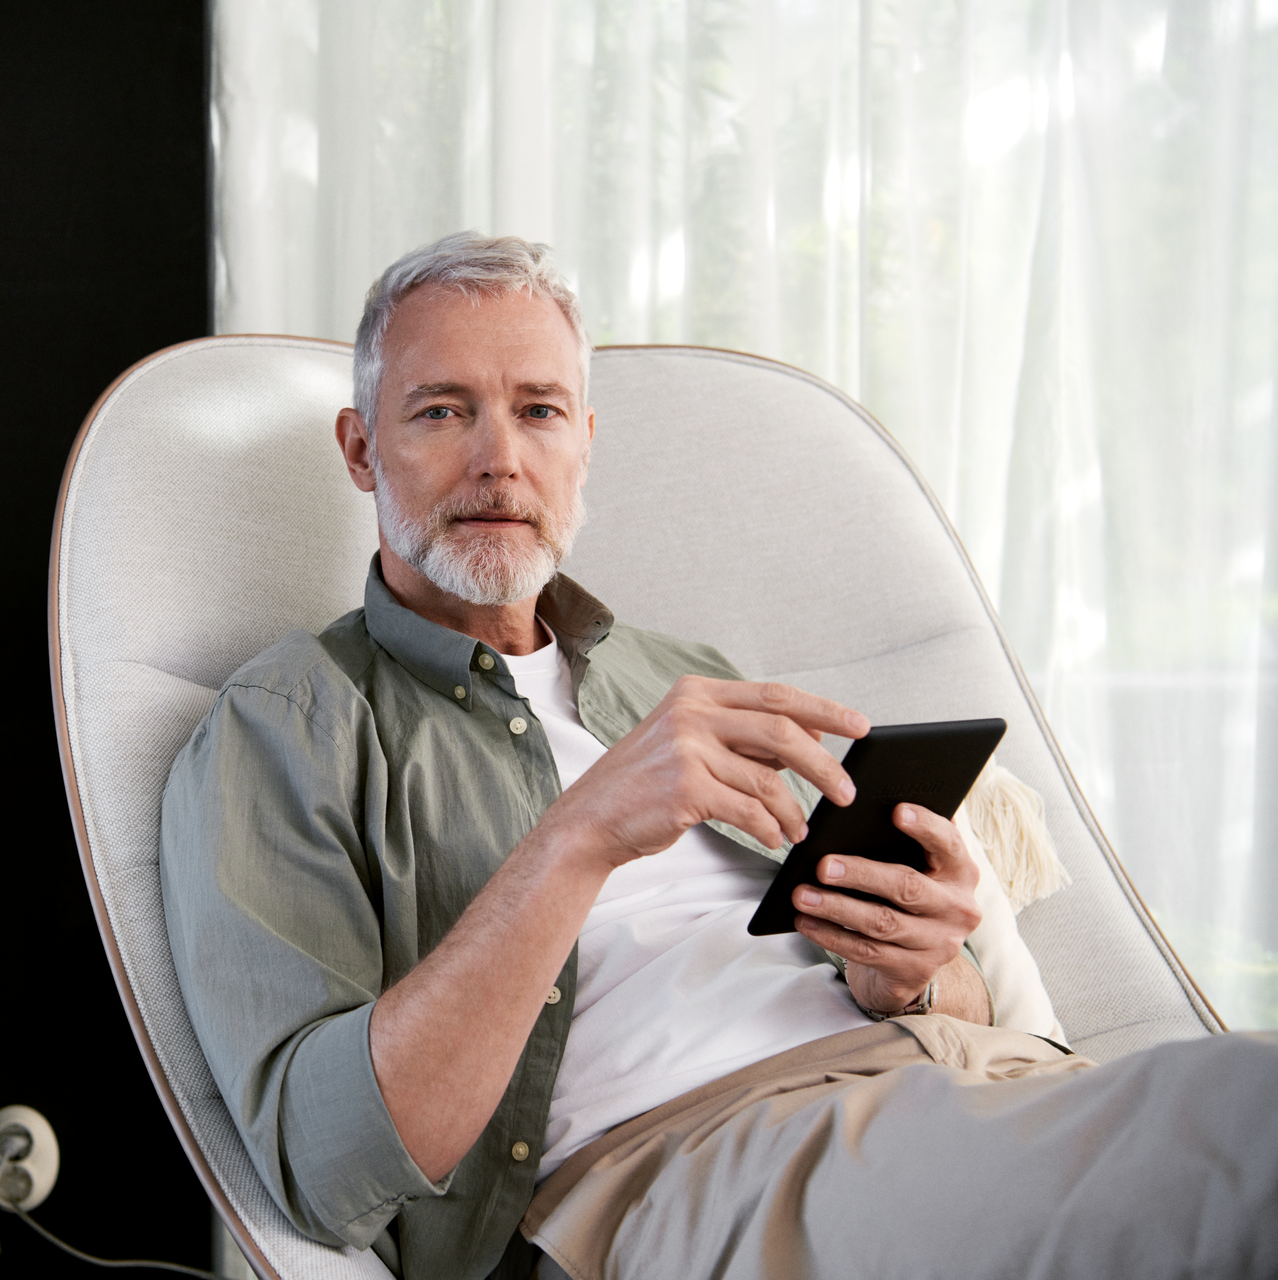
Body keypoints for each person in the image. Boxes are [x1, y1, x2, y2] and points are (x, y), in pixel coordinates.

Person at [158, 232, 1278, 1280]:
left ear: (584, 445)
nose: (500, 460)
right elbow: (321, 1163)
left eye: (540, 410)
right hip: (689, 1166)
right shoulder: (290, 719)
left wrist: (918, 971)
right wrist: (581, 834)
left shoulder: (676, 671)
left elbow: (945, 996)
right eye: (443, 410)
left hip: (971, 1083)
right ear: (362, 448)